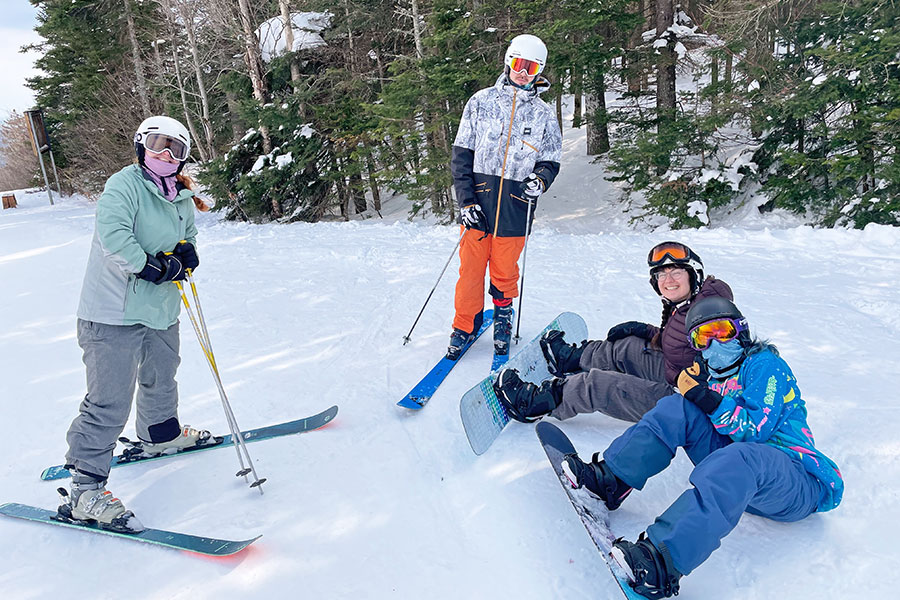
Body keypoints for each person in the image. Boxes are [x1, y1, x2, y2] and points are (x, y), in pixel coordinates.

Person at [559, 297, 844, 598]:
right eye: (702, 337)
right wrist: (694, 392)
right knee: (677, 408)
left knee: (740, 455)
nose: (714, 343)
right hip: (741, 481)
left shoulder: (764, 365)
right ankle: (612, 479)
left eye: (721, 330)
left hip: (795, 482)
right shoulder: (713, 375)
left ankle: (661, 561)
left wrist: (704, 396)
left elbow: (755, 431)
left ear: (740, 332)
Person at [61, 115, 208, 532]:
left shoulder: (179, 195)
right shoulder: (123, 185)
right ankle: (85, 490)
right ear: (141, 145)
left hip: (160, 309)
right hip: (113, 311)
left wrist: (186, 254)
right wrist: (150, 267)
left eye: (175, 149)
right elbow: (114, 237)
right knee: (109, 399)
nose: (165, 154)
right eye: (158, 144)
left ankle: (160, 435)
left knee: (162, 377)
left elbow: (188, 236)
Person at [494, 241, 732, 423]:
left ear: (694, 274)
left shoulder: (710, 314)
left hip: (688, 404)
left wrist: (699, 388)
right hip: (678, 375)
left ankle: (536, 404)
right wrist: (648, 332)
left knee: (600, 385)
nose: (668, 280)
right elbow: (683, 345)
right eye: (661, 274)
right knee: (629, 346)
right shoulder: (691, 302)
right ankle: (570, 359)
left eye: (676, 272)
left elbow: (719, 362)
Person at [447, 34, 562, 359]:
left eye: (531, 67)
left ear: (539, 71)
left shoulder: (543, 115)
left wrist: (540, 180)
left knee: (504, 270)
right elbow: (461, 156)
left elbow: (551, 159)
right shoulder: (480, 102)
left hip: (516, 207)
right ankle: (464, 326)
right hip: (478, 205)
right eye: (518, 64)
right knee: (469, 272)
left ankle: (502, 317)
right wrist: (466, 201)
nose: (522, 72)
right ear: (509, 61)